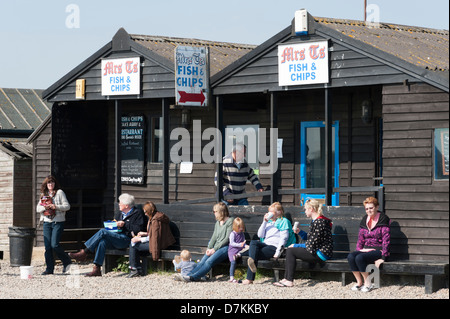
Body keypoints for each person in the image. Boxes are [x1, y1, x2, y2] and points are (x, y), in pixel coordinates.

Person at [69, 193, 147, 276]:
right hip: (117, 237)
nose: (119, 204)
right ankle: (97, 269)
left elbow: (138, 229)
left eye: (120, 202)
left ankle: (85, 252)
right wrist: (114, 225)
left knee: (102, 232)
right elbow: (113, 225)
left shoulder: (137, 213)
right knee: (102, 241)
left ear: (127, 205)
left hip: (127, 239)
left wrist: (125, 224)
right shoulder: (120, 213)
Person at [273, 198, 333, 287]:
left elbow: (312, 244)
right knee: (290, 250)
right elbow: (311, 238)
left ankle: (289, 280)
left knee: (291, 250)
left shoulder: (319, 222)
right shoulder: (316, 221)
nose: (305, 211)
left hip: (321, 253)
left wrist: (296, 245)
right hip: (318, 250)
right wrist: (299, 232)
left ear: (311, 209)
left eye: (305, 209)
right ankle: (286, 278)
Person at [175, 202, 233, 282]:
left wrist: (214, 249)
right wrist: (209, 248)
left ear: (221, 212)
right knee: (202, 261)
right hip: (215, 247)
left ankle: (193, 277)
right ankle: (188, 276)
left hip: (226, 248)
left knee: (209, 262)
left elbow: (227, 239)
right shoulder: (218, 222)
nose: (214, 213)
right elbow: (214, 237)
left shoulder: (230, 221)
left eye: (215, 211)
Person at [242, 202, 296, 285]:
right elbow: (260, 235)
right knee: (253, 242)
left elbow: (283, 238)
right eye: (269, 212)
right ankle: (251, 261)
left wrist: (278, 252)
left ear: (280, 212)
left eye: (272, 212)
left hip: (274, 247)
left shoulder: (283, 221)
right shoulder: (268, 222)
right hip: (265, 244)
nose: (270, 214)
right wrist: (264, 222)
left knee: (253, 253)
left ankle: (249, 278)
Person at [347, 197, 390, 292]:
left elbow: (386, 240)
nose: (369, 210)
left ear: (377, 207)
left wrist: (383, 257)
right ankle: (359, 283)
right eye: (366, 209)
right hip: (366, 249)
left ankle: (368, 283)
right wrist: (358, 251)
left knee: (359, 258)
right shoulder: (364, 220)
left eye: (371, 208)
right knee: (351, 256)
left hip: (378, 250)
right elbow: (360, 240)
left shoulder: (383, 219)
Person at [127, 201, 176, 277]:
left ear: (150, 211)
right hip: (161, 242)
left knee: (133, 244)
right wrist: (145, 233)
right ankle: (137, 269)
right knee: (134, 243)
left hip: (159, 244)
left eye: (146, 212)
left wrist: (140, 239)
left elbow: (155, 238)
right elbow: (154, 234)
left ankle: (134, 269)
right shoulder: (156, 217)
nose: (145, 214)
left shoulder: (155, 220)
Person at [36, 175, 72, 275]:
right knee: (48, 247)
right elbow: (38, 209)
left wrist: (55, 206)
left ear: (55, 184)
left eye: (52, 182)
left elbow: (67, 206)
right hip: (47, 222)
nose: (50, 184)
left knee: (54, 245)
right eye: (48, 183)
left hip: (58, 222)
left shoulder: (60, 193)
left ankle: (67, 262)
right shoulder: (44, 194)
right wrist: (45, 207)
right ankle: (49, 269)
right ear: (46, 184)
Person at [228, 217, 248, 283]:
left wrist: (246, 245)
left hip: (240, 250)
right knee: (233, 262)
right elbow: (232, 243)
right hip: (232, 250)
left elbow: (243, 243)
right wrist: (240, 245)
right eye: (239, 227)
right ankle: (231, 277)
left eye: (242, 227)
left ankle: (238, 255)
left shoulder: (242, 234)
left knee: (248, 250)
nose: (241, 229)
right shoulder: (232, 234)